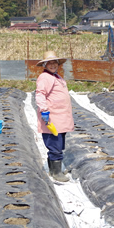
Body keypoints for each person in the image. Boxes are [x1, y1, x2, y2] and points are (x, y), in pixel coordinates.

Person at [35, 50, 74, 182]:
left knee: (58, 143)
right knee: (55, 144)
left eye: (54, 63)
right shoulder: (45, 77)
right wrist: (44, 110)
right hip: (52, 118)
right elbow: (40, 94)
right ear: (45, 65)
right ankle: (57, 173)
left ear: (58, 64)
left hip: (60, 117)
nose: (52, 65)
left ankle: (53, 170)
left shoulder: (56, 76)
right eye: (49, 63)